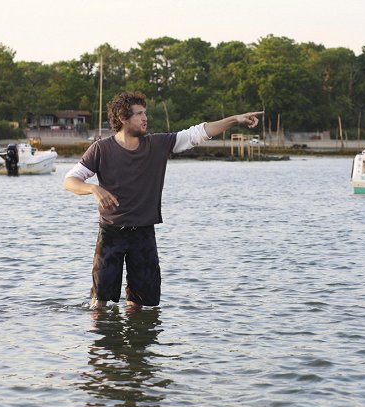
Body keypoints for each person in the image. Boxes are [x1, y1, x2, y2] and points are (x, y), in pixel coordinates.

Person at [64, 91, 261, 310]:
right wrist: (92, 188)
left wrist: (235, 119)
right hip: (111, 234)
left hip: (144, 234)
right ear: (122, 117)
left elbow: (199, 132)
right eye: (139, 114)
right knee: (99, 304)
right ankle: (102, 342)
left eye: (145, 113)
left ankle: (137, 343)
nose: (145, 118)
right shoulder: (101, 149)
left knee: (139, 304)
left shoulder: (158, 144)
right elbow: (70, 180)